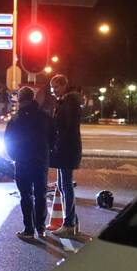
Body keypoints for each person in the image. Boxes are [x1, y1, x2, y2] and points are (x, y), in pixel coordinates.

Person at [4, 86, 56, 239]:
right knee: (40, 194)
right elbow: (53, 136)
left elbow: (8, 140)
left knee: (26, 195)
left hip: (23, 160)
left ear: (20, 100)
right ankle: (41, 227)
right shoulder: (44, 116)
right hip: (40, 159)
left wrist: (14, 156)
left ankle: (29, 229)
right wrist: (47, 151)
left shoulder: (16, 118)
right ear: (32, 98)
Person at [49, 74, 83, 235]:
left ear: (64, 85)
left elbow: (68, 127)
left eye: (56, 87)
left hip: (66, 149)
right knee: (63, 186)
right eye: (52, 87)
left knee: (65, 186)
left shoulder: (70, 102)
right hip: (65, 148)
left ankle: (69, 224)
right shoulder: (67, 101)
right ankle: (72, 222)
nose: (54, 90)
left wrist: (57, 143)